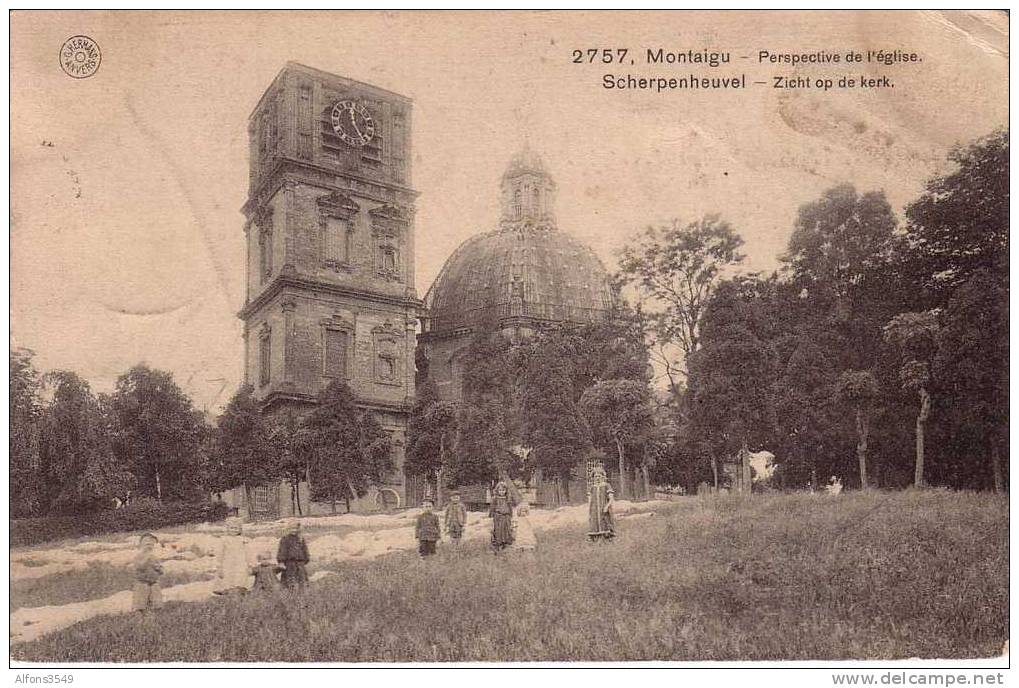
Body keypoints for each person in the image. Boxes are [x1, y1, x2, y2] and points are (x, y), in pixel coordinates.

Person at [214, 518, 250, 595]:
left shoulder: (242, 539)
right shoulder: (224, 540)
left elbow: (247, 552)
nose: (234, 530)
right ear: (227, 529)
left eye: (236, 528)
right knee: (227, 575)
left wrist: (249, 563)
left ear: (240, 529)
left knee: (240, 575)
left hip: (240, 561)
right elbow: (220, 553)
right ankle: (226, 590)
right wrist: (219, 565)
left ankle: (239, 589)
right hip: (228, 560)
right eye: (231, 528)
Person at [132, 532, 164, 612]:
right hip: (142, 583)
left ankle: (156, 611)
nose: (149, 546)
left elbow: (161, 570)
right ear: (141, 545)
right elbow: (139, 567)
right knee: (141, 604)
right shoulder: (138, 557)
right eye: (146, 544)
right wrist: (147, 559)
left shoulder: (154, 557)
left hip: (154, 583)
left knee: (156, 602)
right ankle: (141, 614)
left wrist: (159, 569)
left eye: (151, 544)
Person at [277, 520, 310, 591]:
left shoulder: (300, 538)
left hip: (300, 562)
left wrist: (306, 558)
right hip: (289, 562)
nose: (294, 530)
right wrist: (281, 561)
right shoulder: (285, 539)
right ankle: (290, 590)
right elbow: (282, 550)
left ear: (298, 529)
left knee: (301, 577)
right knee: (290, 577)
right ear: (288, 529)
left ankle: (302, 590)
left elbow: (304, 549)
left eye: (295, 528)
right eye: (291, 528)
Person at [587, 466, 615, 542]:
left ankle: (607, 538)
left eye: (599, 476)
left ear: (602, 476)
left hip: (603, 508)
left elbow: (611, 499)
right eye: (595, 476)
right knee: (594, 522)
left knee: (605, 522)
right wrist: (589, 510)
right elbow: (590, 500)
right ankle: (596, 538)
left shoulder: (606, 486)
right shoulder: (592, 487)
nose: (597, 478)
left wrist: (607, 506)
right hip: (595, 509)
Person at [489, 481, 516, 553]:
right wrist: (491, 516)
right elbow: (492, 508)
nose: (501, 492)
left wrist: (511, 515)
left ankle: (505, 544)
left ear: (506, 491)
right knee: (498, 530)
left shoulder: (508, 498)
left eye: (503, 490)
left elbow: (510, 508)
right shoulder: (495, 499)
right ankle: (497, 544)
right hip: (498, 517)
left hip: (506, 516)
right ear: (497, 490)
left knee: (506, 530)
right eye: (500, 490)